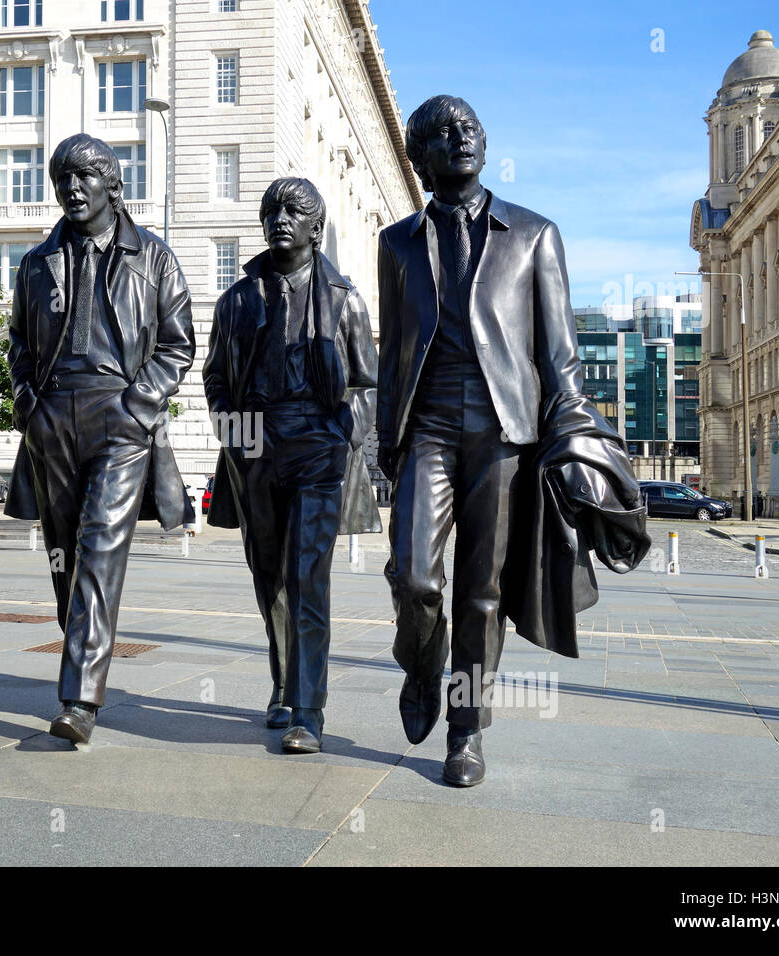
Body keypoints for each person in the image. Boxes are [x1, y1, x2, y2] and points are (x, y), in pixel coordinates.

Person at [377, 96, 646, 786]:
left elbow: (559, 358)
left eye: (469, 126)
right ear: (420, 156)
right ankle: (420, 666)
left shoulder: (533, 234)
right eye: (441, 131)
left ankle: (466, 730)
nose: (460, 135)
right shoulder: (397, 242)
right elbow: (391, 358)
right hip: (427, 428)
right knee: (414, 578)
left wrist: (578, 439)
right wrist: (387, 445)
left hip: (503, 433)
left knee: (482, 593)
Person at [4, 133, 195, 745]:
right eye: (63, 178)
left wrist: (140, 403)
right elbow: (18, 345)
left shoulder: (155, 258)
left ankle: (79, 698)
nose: (71, 188)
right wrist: (27, 398)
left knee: (99, 547)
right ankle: (81, 648)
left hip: (121, 417)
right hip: (53, 415)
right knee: (65, 555)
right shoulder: (37, 262)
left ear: (113, 184)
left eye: (85, 176)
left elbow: (177, 344)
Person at [203, 177, 378, 754]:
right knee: (268, 575)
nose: (282, 219)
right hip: (255, 445)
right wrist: (234, 436)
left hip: (318, 446)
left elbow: (369, 384)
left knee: (307, 576)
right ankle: (283, 682)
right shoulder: (238, 300)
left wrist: (344, 432)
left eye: (295, 212)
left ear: (315, 228)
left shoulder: (344, 299)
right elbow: (216, 379)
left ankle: (309, 708)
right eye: (273, 210)